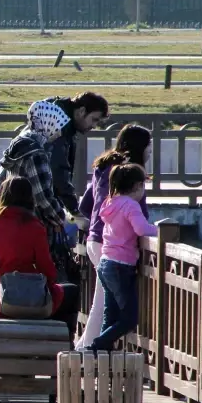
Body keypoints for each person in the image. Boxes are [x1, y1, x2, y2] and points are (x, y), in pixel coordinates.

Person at [0, 176, 81, 339]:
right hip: (29, 299)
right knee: (71, 291)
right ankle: (62, 342)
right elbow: (46, 269)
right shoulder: (34, 226)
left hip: (0, 302)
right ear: (29, 197)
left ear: (2, 197)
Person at [76, 125, 152, 349]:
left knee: (103, 303)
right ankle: (87, 350)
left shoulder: (104, 166)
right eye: (149, 145)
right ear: (141, 146)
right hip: (113, 244)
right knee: (102, 304)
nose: (150, 150)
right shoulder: (131, 173)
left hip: (95, 238)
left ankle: (92, 349)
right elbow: (141, 216)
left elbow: (84, 205)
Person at [86, 164, 158, 351]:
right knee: (129, 319)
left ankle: (102, 358)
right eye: (143, 186)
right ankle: (98, 345)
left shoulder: (111, 202)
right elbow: (142, 229)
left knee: (110, 316)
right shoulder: (131, 205)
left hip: (106, 262)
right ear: (136, 186)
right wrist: (159, 230)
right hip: (121, 266)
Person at [0, 101, 70, 233]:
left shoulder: (21, 141)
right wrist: (62, 219)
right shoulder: (36, 154)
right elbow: (42, 196)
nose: (59, 133)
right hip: (26, 222)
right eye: (57, 127)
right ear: (47, 124)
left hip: (8, 215)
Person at [31, 93, 108, 221]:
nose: (94, 126)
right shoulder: (58, 126)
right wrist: (74, 210)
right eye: (94, 119)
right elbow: (58, 170)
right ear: (82, 111)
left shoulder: (54, 115)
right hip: (27, 204)